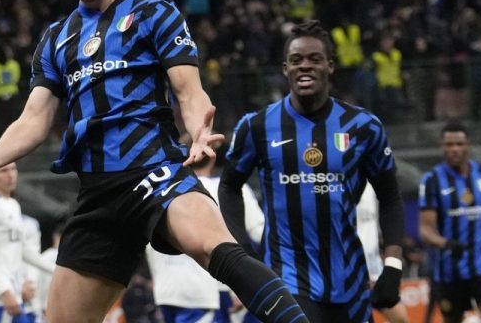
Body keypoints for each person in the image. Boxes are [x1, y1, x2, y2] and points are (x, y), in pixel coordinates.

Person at [0, 0, 307, 323]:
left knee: (214, 246)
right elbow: (34, 119)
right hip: (97, 195)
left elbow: (189, 91)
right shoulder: (57, 39)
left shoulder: (154, 13)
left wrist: (199, 132)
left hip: (153, 171)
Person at [218, 20, 405, 323]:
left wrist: (393, 265)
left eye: (314, 59)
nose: (305, 66)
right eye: (296, 60)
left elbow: (390, 196)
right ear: (285, 69)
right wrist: (242, 255)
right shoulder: (257, 126)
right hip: (286, 279)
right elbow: (228, 187)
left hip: (351, 283)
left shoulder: (363, 127)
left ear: (330, 66)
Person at [145, 147, 265, 323]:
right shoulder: (227, 190)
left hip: (166, 290)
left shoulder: (158, 193)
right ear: (212, 157)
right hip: (206, 290)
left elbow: (148, 243)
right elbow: (259, 233)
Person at [418, 121, 481, 323]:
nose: (454, 149)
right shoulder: (431, 180)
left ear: (468, 145)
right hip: (449, 270)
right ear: (442, 147)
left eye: (459, 144)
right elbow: (425, 228)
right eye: (449, 145)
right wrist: (445, 243)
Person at [0, 162, 54, 323]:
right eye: (3, 171)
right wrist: (5, 291)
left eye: (13, 169)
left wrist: (55, 270)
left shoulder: (12, 205)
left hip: (14, 295)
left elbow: (22, 250)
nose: (10, 175)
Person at [356, 183, 409, 323]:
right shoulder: (340, 179)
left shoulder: (372, 184)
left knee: (401, 319)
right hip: (352, 269)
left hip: (374, 269)